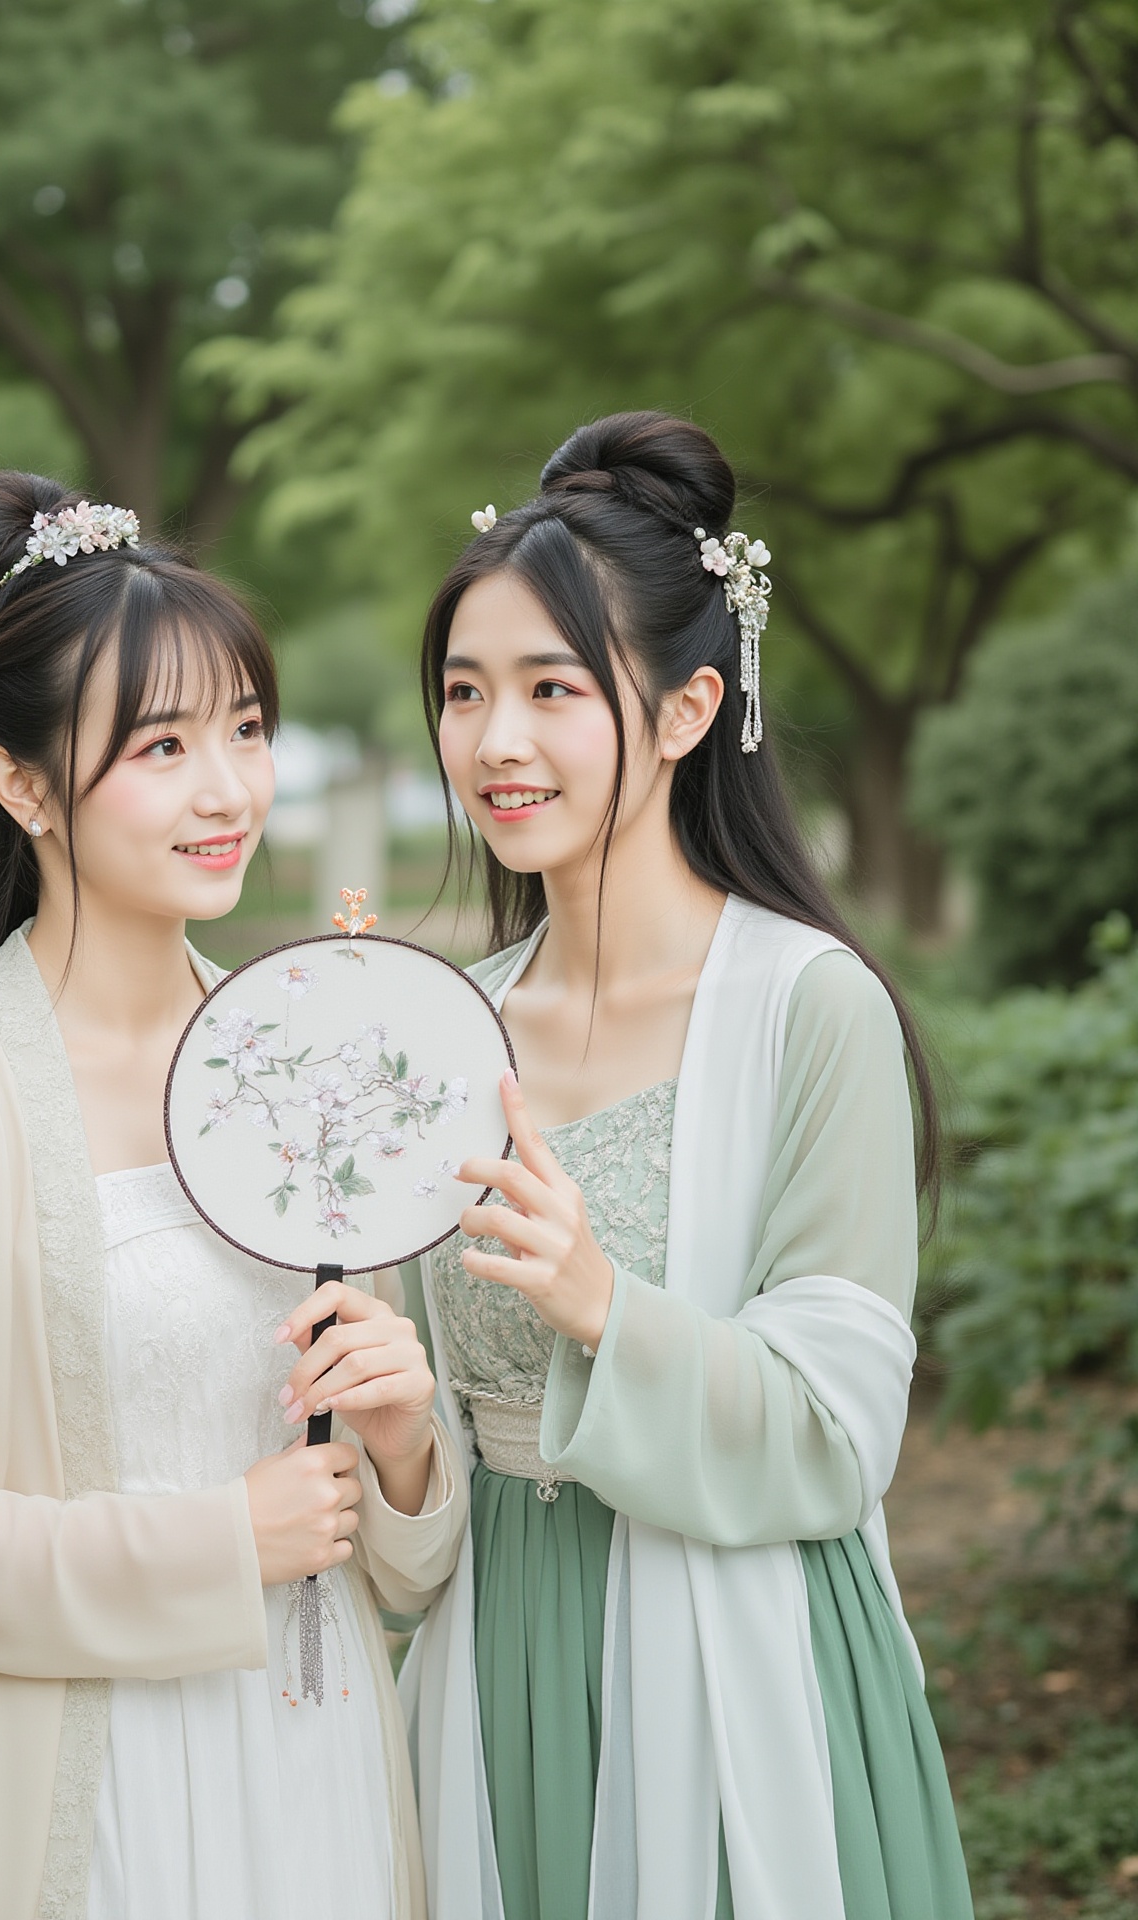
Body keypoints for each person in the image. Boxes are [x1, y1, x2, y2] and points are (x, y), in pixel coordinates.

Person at [0, 472, 466, 1920]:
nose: (228, 788)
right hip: (88, 1795)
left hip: (316, 1765)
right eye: (162, 744)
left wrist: (409, 1436)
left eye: (245, 730)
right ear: (20, 783)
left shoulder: (307, 1058)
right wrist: (217, 1544)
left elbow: (404, 1562)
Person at [400, 414, 973, 1920]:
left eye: (550, 690)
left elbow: (838, 1434)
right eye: (464, 694)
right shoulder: (443, 1034)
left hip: (741, 1662)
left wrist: (604, 1306)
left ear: (683, 708)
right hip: (493, 1658)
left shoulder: (810, 1007)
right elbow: (425, 1428)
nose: (495, 743)